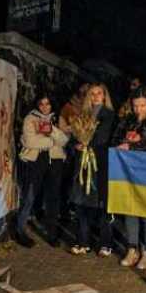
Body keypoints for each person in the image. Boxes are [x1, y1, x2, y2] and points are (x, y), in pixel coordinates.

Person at [112, 87, 146, 270]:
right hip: (127, 173)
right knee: (130, 210)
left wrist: (134, 146)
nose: (139, 110)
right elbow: (115, 139)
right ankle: (132, 248)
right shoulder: (127, 121)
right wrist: (122, 143)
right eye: (135, 106)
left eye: (142, 105)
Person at [62, 83, 116, 256]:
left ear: (105, 95)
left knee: (102, 203)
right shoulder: (83, 115)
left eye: (99, 93)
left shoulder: (109, 115)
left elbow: (103, 137)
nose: (95, 96)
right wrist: (76, 145)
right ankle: (82, 240)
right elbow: (73, 136)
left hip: (99, 163)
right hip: (82, 163)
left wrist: (87, 143)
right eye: (92, 94)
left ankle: (105, 243)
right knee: (81, 202)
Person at [14, 93, 68, 247]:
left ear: (52, 105)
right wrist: (52, 141)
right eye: (42, 104)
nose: (45, 107)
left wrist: (52, 131)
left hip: (55, 161)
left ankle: (52, 233)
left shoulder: (58, 119)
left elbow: (64, 140)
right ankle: (20, 230)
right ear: (37, 105)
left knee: (53, 198)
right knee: (29, 196)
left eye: (48, 104)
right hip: (35, 162)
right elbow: (30, 141)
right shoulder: (30, 119)